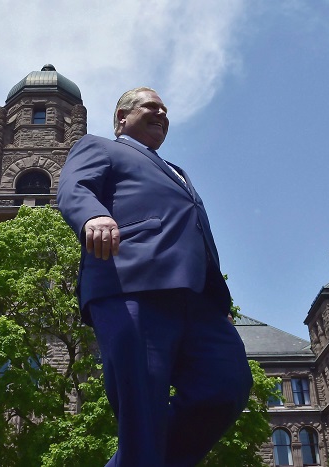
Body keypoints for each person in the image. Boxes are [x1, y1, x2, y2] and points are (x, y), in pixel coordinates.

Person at [57, 87, 253, 467]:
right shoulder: (99, 147)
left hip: (200, 303)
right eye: (151, 106)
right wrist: (92, 216)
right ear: (121, 118)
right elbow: (73, 187)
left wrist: (218, 301)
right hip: (130, 282)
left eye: (165, 109)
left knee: (228, 385)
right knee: (142, 406)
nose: (162, 113)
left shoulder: (179, 172)